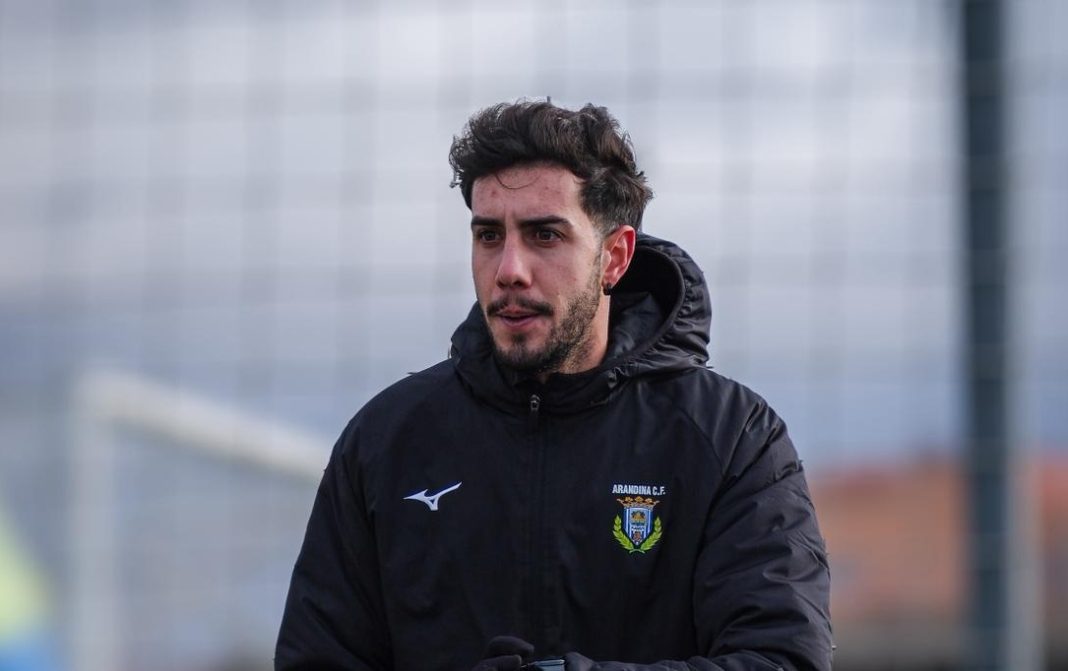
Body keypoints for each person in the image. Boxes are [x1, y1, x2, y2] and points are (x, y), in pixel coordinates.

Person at [275, 100, 833, 670]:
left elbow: (781, 660)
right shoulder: (385, 443)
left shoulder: (732, 438)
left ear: (614, 257)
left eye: (544, 235)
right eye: (489, 236)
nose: (509, 269)